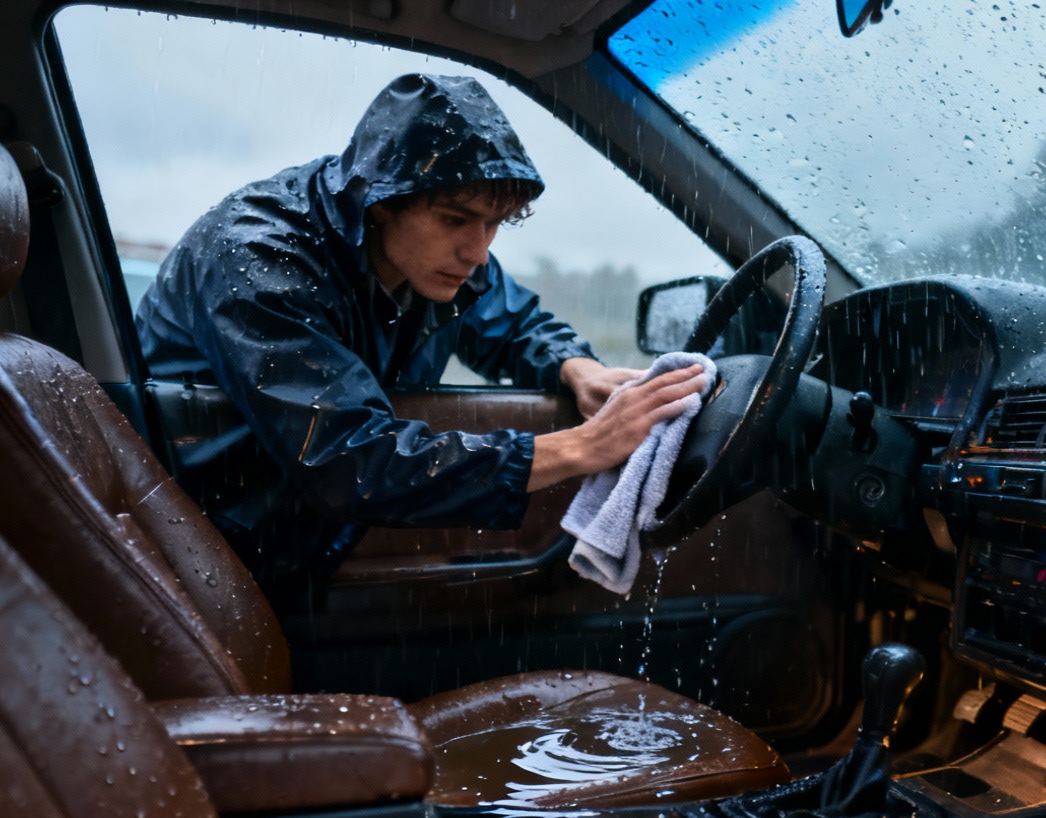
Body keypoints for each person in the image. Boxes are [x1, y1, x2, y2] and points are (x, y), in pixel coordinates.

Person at [135, 73, 705, 596]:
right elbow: (349, 463)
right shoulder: (260, 258)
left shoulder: (437, 259)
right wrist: (584, 447)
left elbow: (511, 323)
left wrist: (577, 368)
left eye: (494, 225)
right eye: (456, 221)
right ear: (381, 202)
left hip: (297, 550)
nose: (478, 252)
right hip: (190, 555)